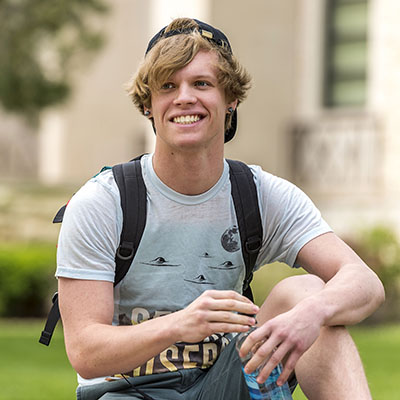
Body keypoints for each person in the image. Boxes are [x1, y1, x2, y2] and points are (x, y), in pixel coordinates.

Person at [56, 18, 385, 400]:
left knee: (311, 294)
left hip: (224, 384)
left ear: (231, 99)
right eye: (167, 86)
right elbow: (85, 353)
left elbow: (364, 283)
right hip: (125, 392)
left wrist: (312, 315)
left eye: (201, 84)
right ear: (148, 104)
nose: (184, 98)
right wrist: (180, 325)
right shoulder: (103, 202)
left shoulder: (259, 194)